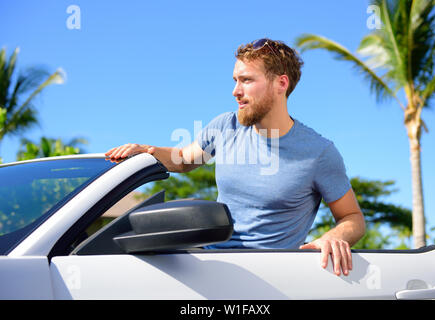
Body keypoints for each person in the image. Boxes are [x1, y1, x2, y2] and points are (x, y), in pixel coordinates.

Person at [105, 38, 365, 277]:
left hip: (271, 279)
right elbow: (184, 159)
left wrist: (334, 236)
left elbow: (352, 217)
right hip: (210, 269)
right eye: (234, 80)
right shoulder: (225, 126)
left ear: (281, 84)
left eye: (247, 80)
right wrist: (145, 150)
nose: (235, 91)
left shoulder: (318, 152)